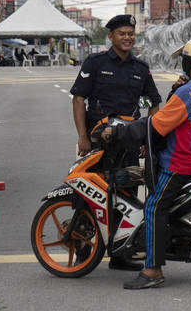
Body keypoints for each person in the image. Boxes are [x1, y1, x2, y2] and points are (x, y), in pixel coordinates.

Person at [122, 37, 191, 290]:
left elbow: (156, 125)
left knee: (154, 208)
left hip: (181, 163)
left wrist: (119, 134)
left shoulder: (187, 92)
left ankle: (152, 270)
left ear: (189, 62)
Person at [70, 14, 162, 272]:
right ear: (111, 37)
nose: (127, 38)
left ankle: (121, 255)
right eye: (122, 33)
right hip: (97, 143)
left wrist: (148, 136)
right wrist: (82, 136)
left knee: (127, 194)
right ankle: (83, 251)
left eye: (131, 33)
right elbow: (78, 99)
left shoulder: (140, 69)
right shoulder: (96, 63)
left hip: (128, 143)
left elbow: (152, 103)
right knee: (87, 194)